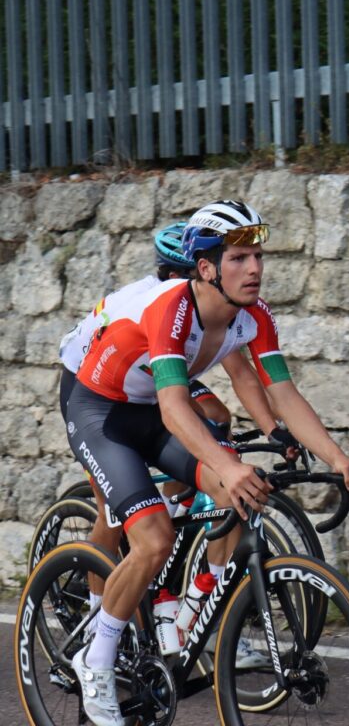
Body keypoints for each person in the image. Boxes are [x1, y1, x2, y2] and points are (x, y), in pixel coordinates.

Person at [66, 200, 349, 726]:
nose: (255, 268)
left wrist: (340, 458)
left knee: (237, 491)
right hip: (100, 409)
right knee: (155, 537)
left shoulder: (254, 315)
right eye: (239, 258)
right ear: (205, 268)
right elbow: (173, 406)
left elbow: (283, 392)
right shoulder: (172, 308)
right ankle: (94, 661)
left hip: (148, 409)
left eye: (258, 256)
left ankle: (187, 617)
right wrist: (226, 465)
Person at [57, 223, 296, 669]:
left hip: (149, 384)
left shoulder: (213, 307)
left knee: (215, 422)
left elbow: (240, 372)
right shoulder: (164, 301)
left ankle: (185, 579)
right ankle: (95, 622)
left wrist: (273, 430)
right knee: (116, 513)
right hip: (90, 387)